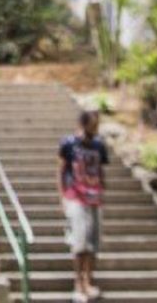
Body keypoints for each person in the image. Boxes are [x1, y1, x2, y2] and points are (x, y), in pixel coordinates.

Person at [58, 110, 109, 303]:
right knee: (79, 242)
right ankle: (78, 284)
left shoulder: (99, 145)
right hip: (75, 197)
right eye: (93, 124)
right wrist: (62, 196)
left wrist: (102, 189)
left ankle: (89, 282)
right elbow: (61, 170)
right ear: (84, 124)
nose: (96, 128)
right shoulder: (69, 144)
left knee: (93, 243)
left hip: (94, 198)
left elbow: (101, 169)